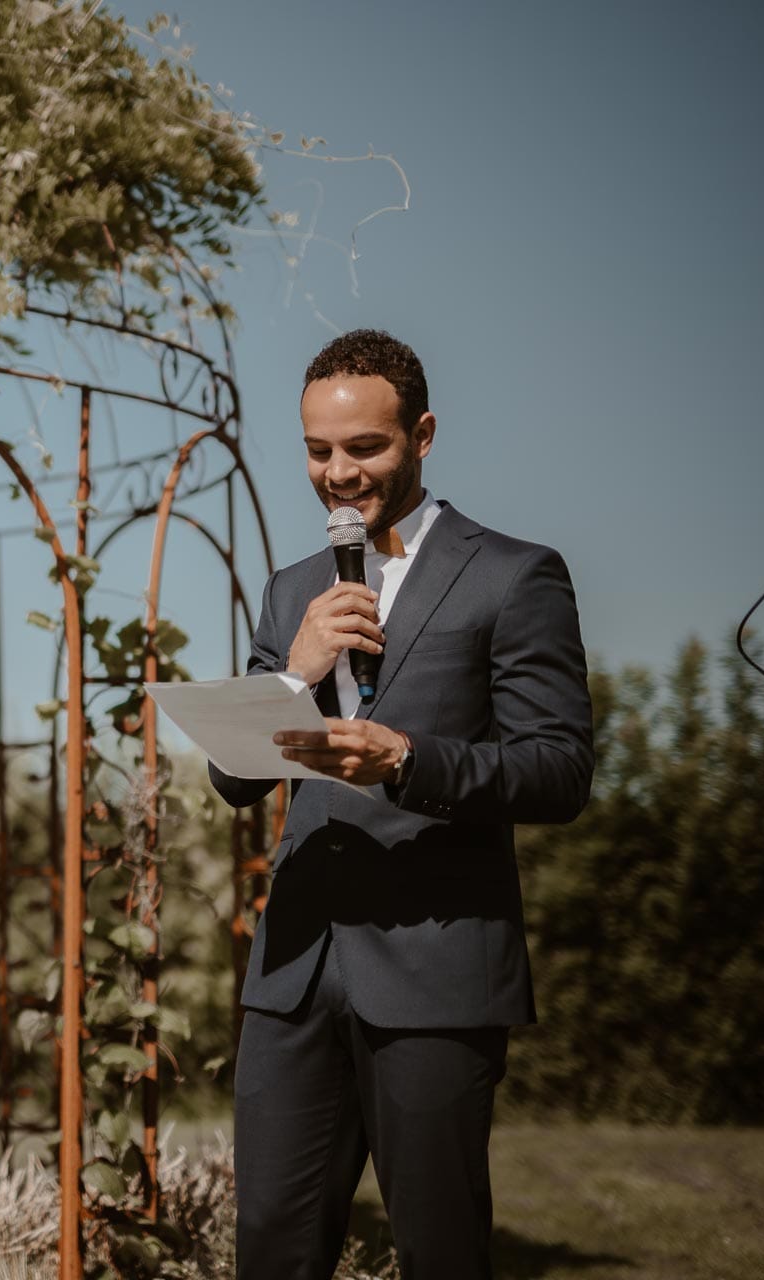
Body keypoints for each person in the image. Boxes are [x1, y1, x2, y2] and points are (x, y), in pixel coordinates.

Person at [211, 330, 593, 1279]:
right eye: (317, 451)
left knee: (440, 1249)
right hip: (294, 971)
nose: (338, 474)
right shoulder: (292, 589)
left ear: (421, 434)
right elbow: (233, 779)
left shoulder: (515, 573)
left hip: (437, 968)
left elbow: (557, 770)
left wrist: (410, 761)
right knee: (268, 1247)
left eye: (365, 448)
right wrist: (293, 676)